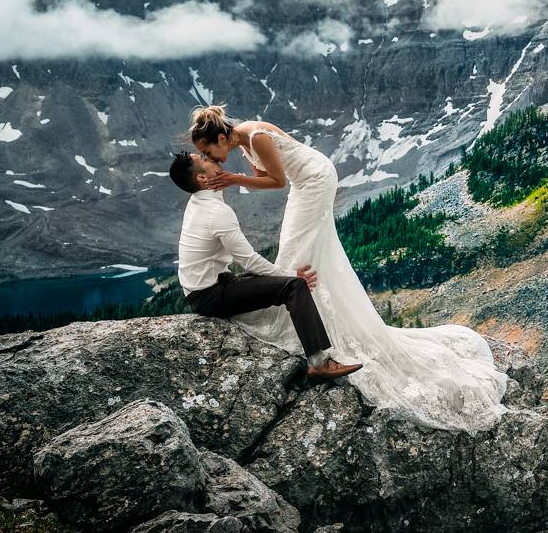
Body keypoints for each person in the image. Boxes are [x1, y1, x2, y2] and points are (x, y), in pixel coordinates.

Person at [186, 104, 509, 433]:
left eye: (207, 150)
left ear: (222, 138)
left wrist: (231, 179)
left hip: (312, 181)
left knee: (297, 249)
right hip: (310, 179)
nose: (210, 158)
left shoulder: (256, 139)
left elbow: (279, 180)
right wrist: (242, 176)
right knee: (297, 247)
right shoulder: (245, 138)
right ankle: (305, 309)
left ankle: (301, 318)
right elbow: (267, 172)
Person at [168, 149, 362, 380]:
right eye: (204, 159)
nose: (209, 157)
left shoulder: (199, 201)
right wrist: (291, 275)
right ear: (201, 178)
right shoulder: (216, 212)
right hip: (210, 296)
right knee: (294, 287)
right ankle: (318, 362)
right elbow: (248, 260)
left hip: (208, 288)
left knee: (269, 282)